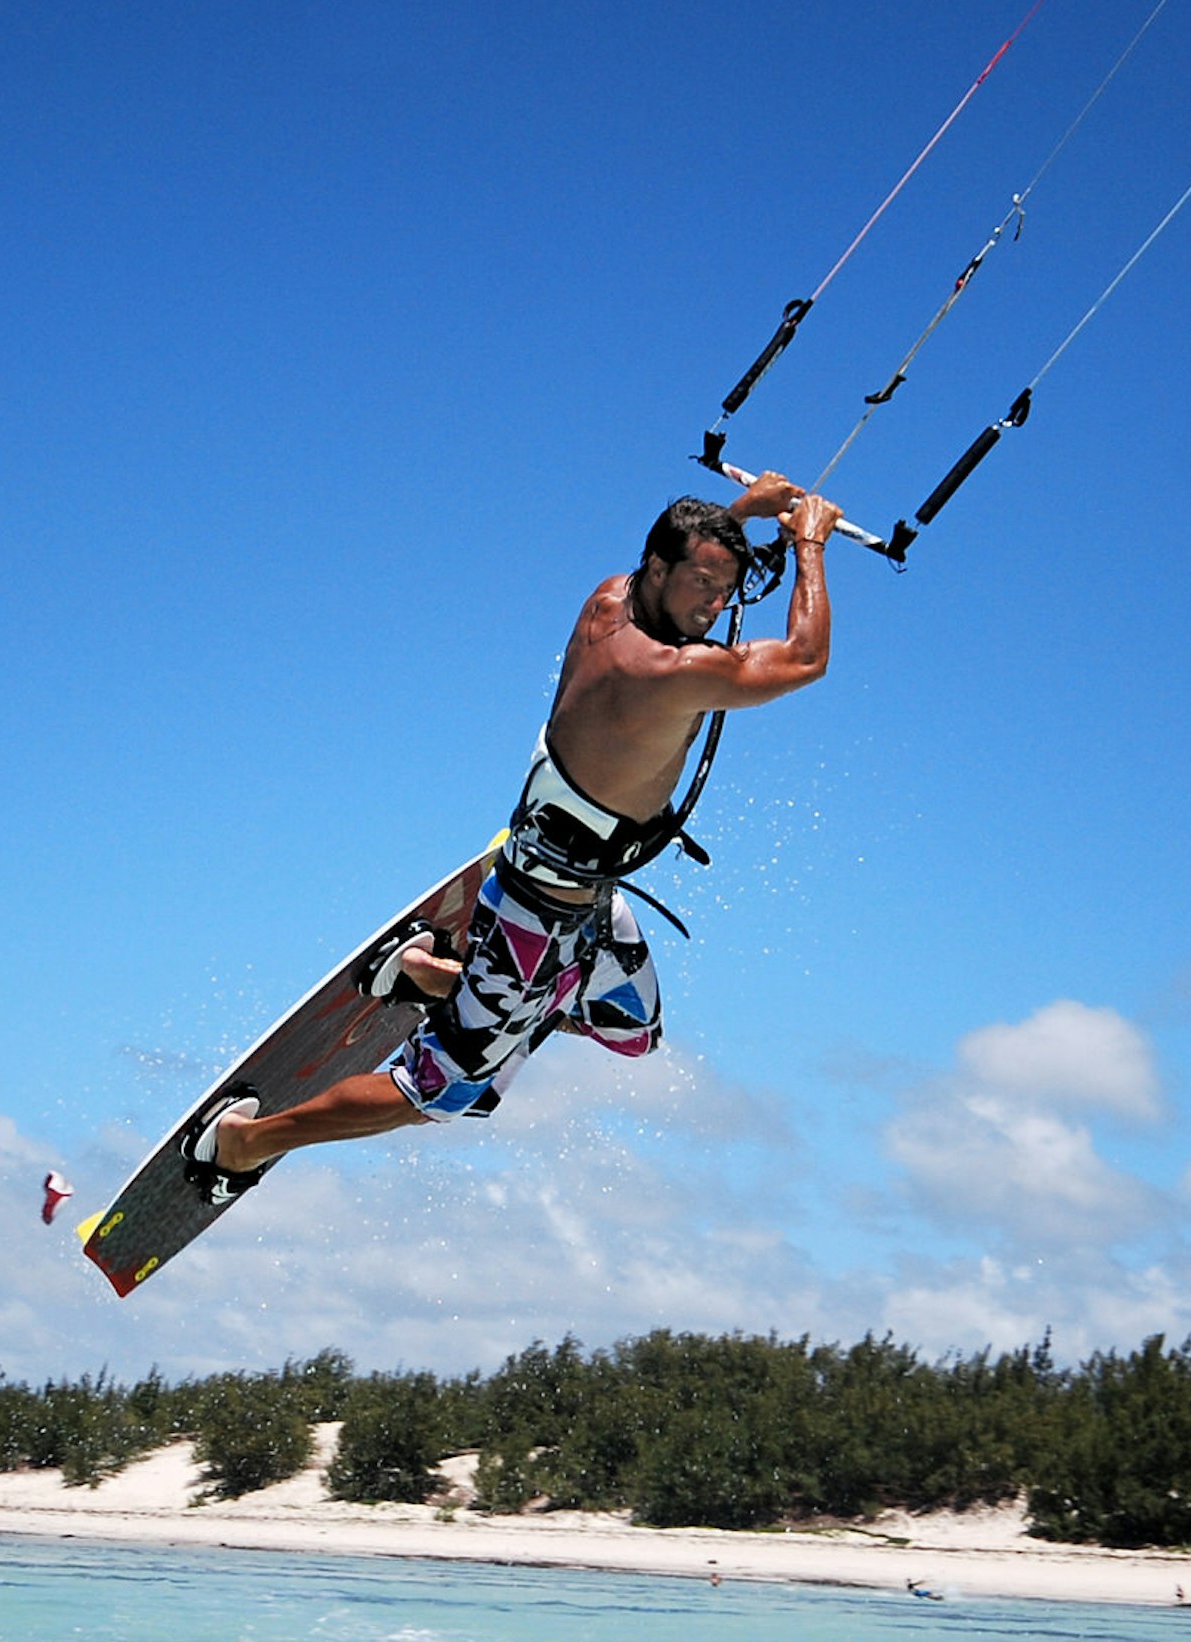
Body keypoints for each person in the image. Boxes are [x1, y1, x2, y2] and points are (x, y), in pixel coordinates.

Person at [189, 471, 844, 1193]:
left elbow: (684, 549)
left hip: (589, 900)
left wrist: (741, 514)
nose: (716, 605)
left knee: (631, 1029)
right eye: (703, 585)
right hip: (537, 911)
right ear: (658, 569)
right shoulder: (665, 671)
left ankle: (434, 977)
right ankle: (243, 1142)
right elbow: (806, 657)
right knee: (439, 1092)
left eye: (726, 589)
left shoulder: (610, 597)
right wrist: (809, 543)